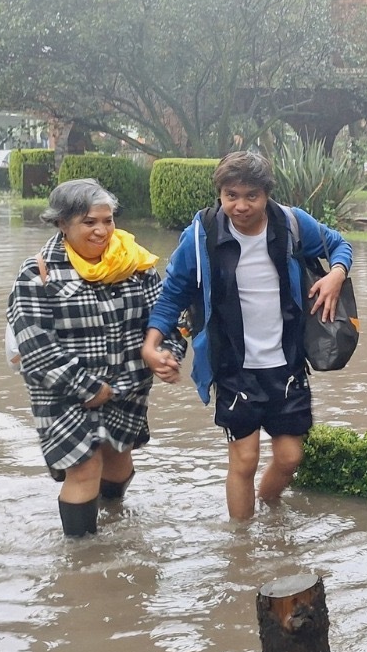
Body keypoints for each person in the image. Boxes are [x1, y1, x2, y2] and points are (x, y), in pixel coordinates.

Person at [141, 151, 353, 520]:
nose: (240, 206)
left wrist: (336, 273)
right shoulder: (200, 236)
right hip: (233, 366)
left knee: (290, 457)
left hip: (286, 362)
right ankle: (241, 550)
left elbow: (340, 245)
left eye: (251, 196)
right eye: (231, 196)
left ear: (267, 194)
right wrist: (151, 343)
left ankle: (271, 511)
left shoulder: (291, 224)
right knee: (245, 458)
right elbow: (173, 291)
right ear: (220, 194)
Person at [8, 179, 162, 538]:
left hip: (127, 385)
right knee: (84, 465)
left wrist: (166, 353)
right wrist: (88, 388)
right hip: (62, 392)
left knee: (118, 459)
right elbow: (36, 345)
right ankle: (81, 559)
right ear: (62, 223)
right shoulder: (38, 274)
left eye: (107, 221)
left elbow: (163, 319)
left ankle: (113, 514)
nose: (102, 230)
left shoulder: (135, 265)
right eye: (89, 222)